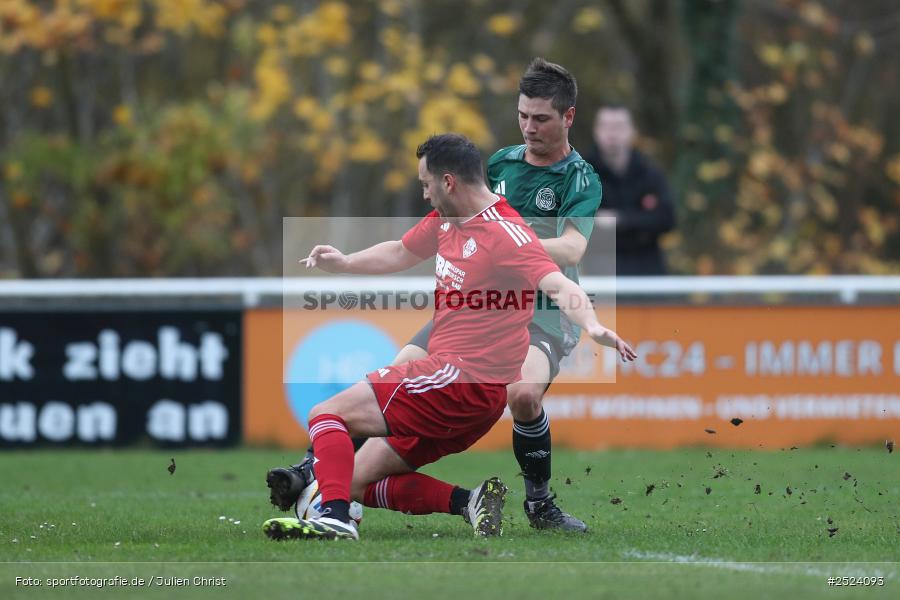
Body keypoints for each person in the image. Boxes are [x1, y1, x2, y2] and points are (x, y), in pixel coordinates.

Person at [268, 58, 605, 533]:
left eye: (541, 118)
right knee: (399, 371)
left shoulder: (579, 178)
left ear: (568, 117)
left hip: (540, 309)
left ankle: (540, 504)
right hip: (474, 304)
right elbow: (420, 239)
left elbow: (571, 248)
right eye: (522, 116)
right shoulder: (501, 163)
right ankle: (317, 472)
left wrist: (502, 243)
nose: (529, 127)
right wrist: (344, 263)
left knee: (524, 393)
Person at [583, 104, 675, 276]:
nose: (612, 134)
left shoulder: (650, 173)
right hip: (599, 273)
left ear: (633, 131)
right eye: (605, 127)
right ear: (596, 131)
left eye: (618, 127)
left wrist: (619, 220)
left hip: (648, 271)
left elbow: (666, 219)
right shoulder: (580, 175)